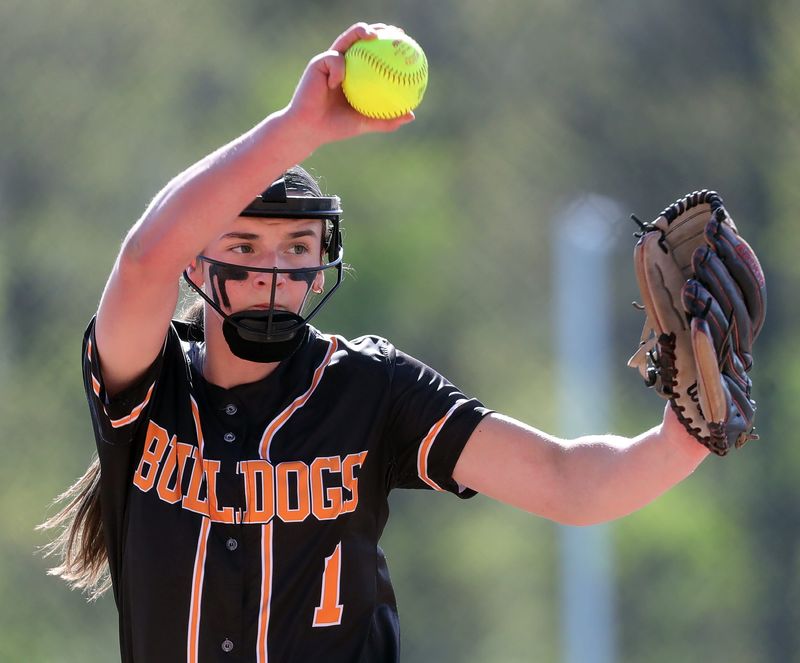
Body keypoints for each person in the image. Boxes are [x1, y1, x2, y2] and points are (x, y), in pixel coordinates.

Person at [41, 22, 708, 663]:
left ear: (320, 261)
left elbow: (571, 483)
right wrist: (297, 129)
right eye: (244, 245)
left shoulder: (367, 387)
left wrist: (686, 435)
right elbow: (141, 261)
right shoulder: (147, 385)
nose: (274, 273)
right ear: (196, 262)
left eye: (297, 247)